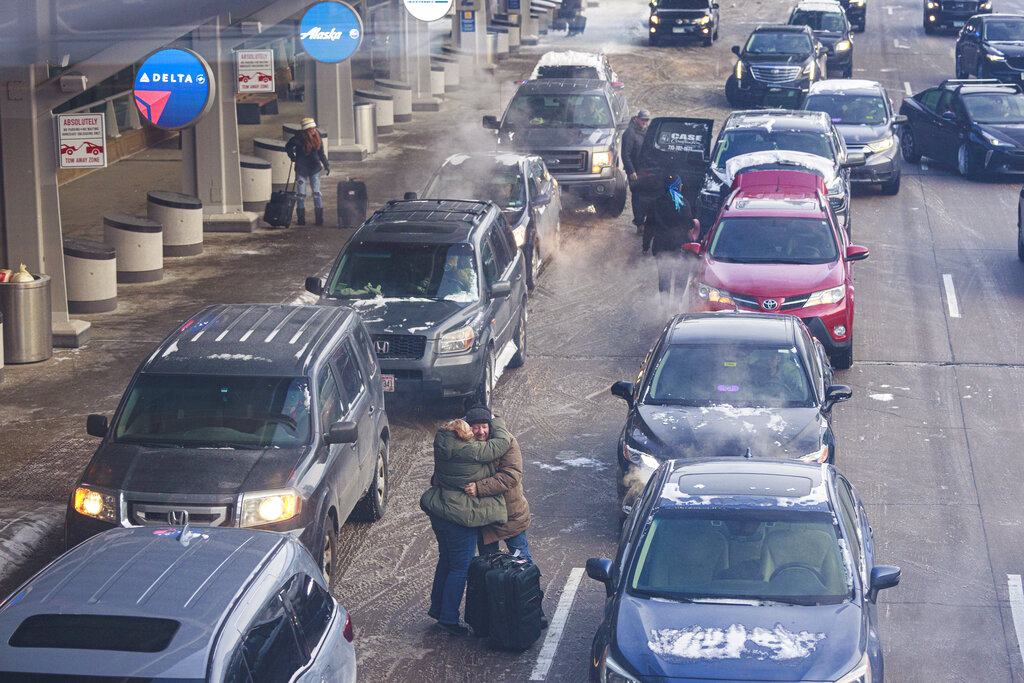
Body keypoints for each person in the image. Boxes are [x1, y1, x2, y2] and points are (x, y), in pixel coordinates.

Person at [420, 417, 512, 636]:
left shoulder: (443, 443)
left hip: (440, 511)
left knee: (446, 560)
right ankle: (449, 619)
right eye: (471, 430)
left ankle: (438, 608)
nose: (476, 433)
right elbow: (500, 444)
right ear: (464, 433)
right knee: (460, 568)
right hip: (458, 516)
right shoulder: (470, 450)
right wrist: (496, 422)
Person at [462, 405, 549, 629]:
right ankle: (496, 617)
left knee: (524, 566)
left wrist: (479, 488)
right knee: (489, 571)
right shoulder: (465, 444)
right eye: (475, 427)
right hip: (484, 521)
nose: (480, 432)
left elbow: (511, 476)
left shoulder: (507, 442)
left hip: (511, 517)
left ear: (491, 426)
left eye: (484, 427)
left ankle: (533, 612)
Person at [642, 174, 701, 307]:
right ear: (679, 186)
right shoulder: (684, 204)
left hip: (661, 247)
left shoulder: (656, 203)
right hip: (680, 248)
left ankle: (664, 306)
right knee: (681, 277)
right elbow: (688, 225)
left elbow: (649, 226)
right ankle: (677, 304)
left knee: (664, 278)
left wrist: (645, 246)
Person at [285, 117, 330, 226]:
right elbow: (288, 147)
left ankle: (319, 220)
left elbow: (321, 153)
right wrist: (292, 157)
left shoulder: (317, 137)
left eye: (314, 128)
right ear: (306, 130)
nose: (314, 131)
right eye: (311, 129)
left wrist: (326, 164)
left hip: (315, 169)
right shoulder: (298, 138)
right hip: (301, 169)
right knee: (301, 194)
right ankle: (301, 220)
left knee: (316, 193)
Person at [622, 109, 651, 233]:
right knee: (638, 197)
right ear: (637, 118)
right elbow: (625, 154)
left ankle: (646, 221)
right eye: (643, 120)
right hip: (635, 172)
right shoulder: (630, 133)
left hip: (646, 170)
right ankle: (640, 224)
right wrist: (631, 171)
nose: (644, 122)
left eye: (646, 120)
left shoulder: (648, 132)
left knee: (646, 196)